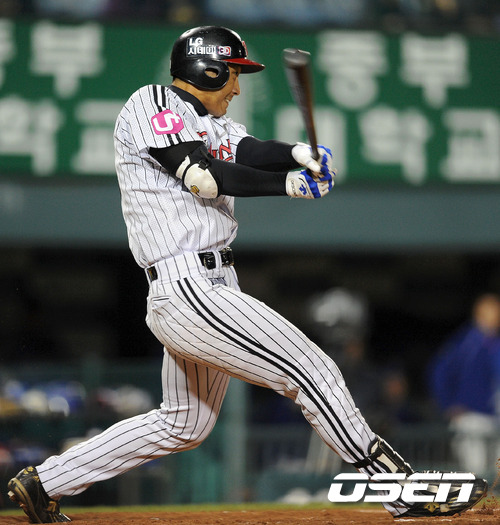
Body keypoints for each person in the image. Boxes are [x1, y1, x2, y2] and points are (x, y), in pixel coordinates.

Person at [8, 25, 487, 523]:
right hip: (188, 286)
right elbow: (204, 177)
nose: (237, 87)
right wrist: (290, 185)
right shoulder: (152, 102)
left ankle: (45, 482)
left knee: (184, 423)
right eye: (232, 74)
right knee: (312, 370)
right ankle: (400, 488)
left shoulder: (210, 123)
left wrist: (298, 154)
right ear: (207, 69)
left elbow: (248, 150)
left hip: (210, 283)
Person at [430, 293, 500, 477]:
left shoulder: (493, 342)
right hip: (470, 418)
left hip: (493, 419)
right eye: (492, 310)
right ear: (479, 314)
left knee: (494, 477)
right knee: (477, 474)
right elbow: (438, 372)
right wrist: (448, 404)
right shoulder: (468, 342)